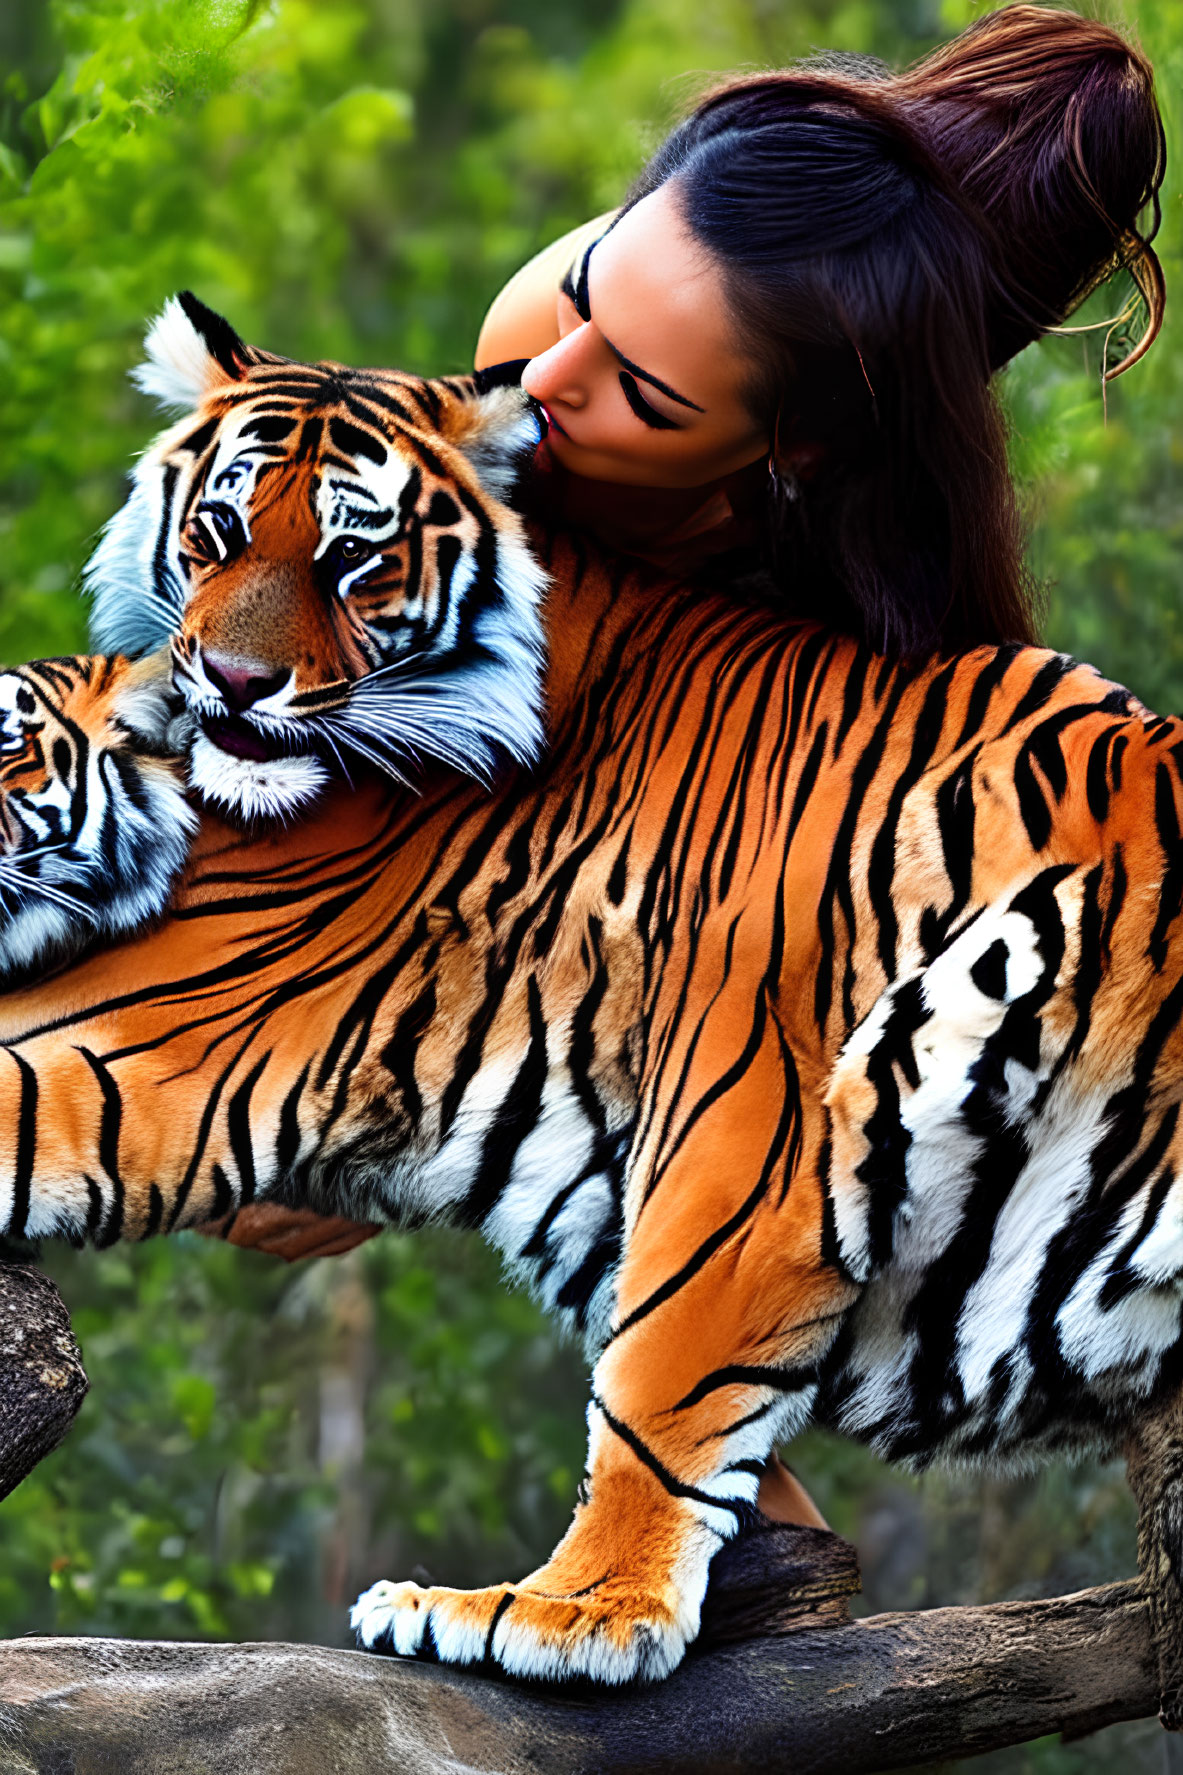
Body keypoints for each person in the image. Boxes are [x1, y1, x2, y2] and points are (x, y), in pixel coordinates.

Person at [202, 6, 1165, 1523]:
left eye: (640, 391)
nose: (544, 373)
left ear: (793, 456)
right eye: (588, 283)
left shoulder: (848, 626)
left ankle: (738, 1515)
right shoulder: (540, 346)